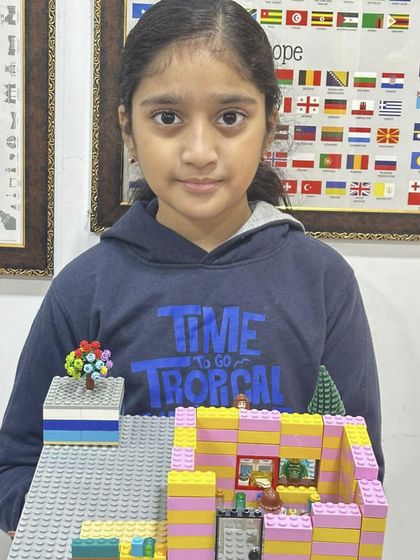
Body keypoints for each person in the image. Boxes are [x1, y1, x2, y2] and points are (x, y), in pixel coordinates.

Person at [0, 0, 383, 535]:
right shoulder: (85, 288)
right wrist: (76, 522)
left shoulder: (322, 281)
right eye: (167, 117)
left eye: (230, 117)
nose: (200, 151)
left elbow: (358, 465)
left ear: (269, 125)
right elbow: (17, 466)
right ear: (127, 130)